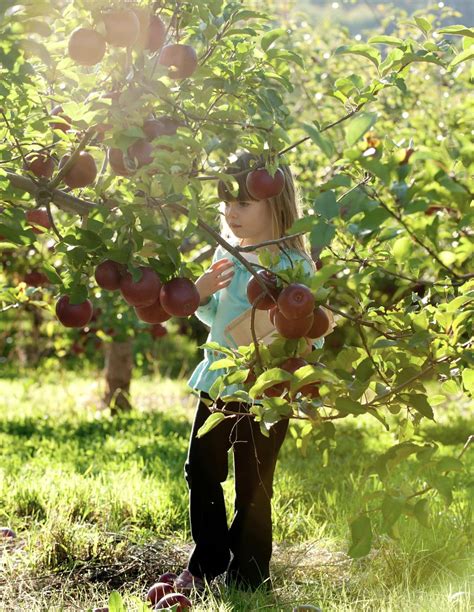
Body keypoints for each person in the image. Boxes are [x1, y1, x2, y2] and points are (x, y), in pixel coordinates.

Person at [174, 152, 325, 594]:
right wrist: (200, 294)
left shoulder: (296, 267)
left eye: (242, 203)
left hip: (266, 390)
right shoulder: (228, 254)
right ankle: (208, 559)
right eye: (225, 202)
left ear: (274, 203)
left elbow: (312, 330)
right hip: (218, 381)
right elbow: (216, 317)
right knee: (200, 469)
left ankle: (250, 573)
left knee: (255, 484)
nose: (231, 213)